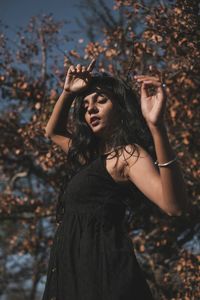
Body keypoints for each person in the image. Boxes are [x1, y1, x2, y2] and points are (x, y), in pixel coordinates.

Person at [42, 59, 188, 300]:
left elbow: (174, 206)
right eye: (86, 105)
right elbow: (53, 131)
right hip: (70, 276)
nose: (91, 109)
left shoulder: (127, 155)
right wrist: (68, 93)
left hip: (104, 277)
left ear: (120, 108)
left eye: (101, 100)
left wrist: (157, 127)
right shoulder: (89, 159)